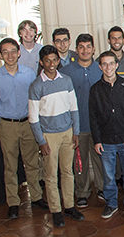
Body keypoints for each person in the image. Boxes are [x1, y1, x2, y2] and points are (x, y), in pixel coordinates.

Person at [0, 38, 47, 219]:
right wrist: (6, 121)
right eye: (5, 52)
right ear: (0, 55)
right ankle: (13, 202)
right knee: (10, 165)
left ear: (19, 52)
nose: (10, 55)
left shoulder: (29, 74)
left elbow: (37, 98)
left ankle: (36, 197)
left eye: (13, 51)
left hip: (28, 124)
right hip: (8, 125)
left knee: (32, 162)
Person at [29, 45, 84, 227]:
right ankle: (56, 210)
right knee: (51, 176)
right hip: (48, 136)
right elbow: (33, 118)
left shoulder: (66, 80)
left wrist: (75, 131)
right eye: (47, 60)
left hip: (67, 133)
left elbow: (73, 108)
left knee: (68, 172)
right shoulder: (36, 86)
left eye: (54, 59)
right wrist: (41, 141)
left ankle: (69, 206)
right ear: (41, 62)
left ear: (59, 61)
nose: (51, 64)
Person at [89, 51, 124, 218]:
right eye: (104, 64)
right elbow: (93, 117)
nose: (108, 67)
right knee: (109, 176)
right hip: (106, 141)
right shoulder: (95, 90)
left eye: (111, 63)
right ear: (100, 67)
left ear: (116, 65)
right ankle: (111, 203)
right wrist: (97, 140)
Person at [61, 34, 104, 207]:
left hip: (99, 125)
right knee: (80, 161)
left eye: (88, 47)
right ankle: (82, 192)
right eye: (81, 47)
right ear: (76, 49)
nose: (85, 50)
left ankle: (102, 188)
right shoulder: (66, 72)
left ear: (94, 49)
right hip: (77, 125)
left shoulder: (101, 69)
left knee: (100, 159)